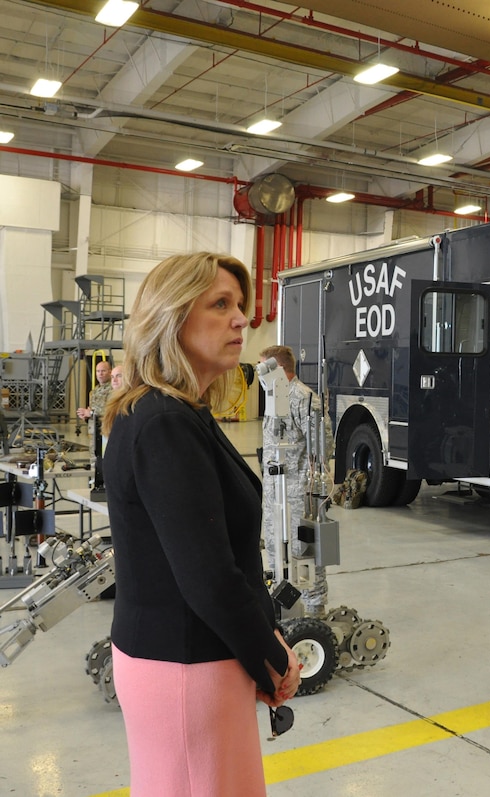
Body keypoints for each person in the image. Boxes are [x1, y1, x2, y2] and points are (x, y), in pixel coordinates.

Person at [103, 253, 300, 796]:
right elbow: (208, 578)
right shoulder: (166, 423)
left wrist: (266, 638)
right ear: (170, 318)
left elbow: (226, 555)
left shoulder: (171, 413)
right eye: (220, 305)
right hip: (186, 668)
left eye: (240, 304)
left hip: (180, 661)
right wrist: (271, 660)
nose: (242, 318)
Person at [259, 344, 333, 617]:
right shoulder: (274, 397)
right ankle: (282, 607)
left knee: (305, 553)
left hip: (298, 494)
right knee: (276, 554)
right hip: (275, 494)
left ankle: (315, 612)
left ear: (277, 369)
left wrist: (310, 487)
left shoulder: (304, 398)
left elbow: (323, 445)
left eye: (262, 367)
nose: (259, 373)